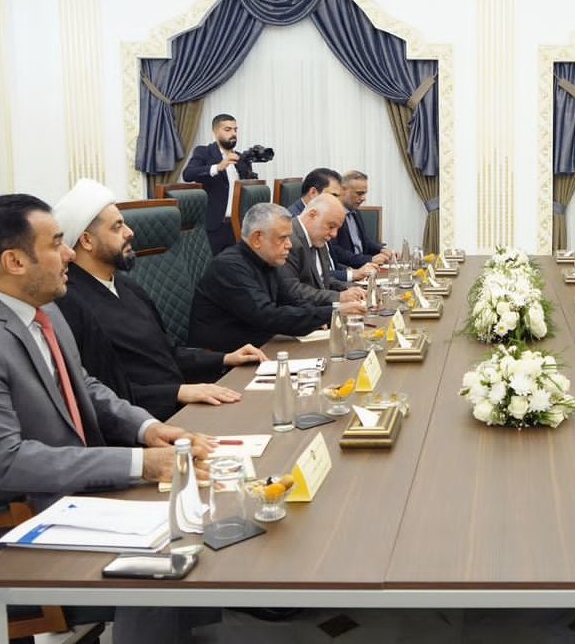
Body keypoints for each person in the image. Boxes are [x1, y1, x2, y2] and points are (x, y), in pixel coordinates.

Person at [0, 194, 213, 643]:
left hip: (62, 500)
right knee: (161, 559)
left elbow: (84, 385)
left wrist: (147, 428)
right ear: (15, 261)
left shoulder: (44, 310)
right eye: (56, 243)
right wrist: (139, 464)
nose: (71, 253)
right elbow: (6, 462)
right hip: (2, 528)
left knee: (194, 515)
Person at [52, 179, 265, 422]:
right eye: (117, 227)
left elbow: (168, 353)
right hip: (144, 423)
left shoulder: (127, 286)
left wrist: (226, 358)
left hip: (181, 405)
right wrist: (178, 393)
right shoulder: (70, 304)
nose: (130, 232)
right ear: (87, 241)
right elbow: (102, 393)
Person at [188, 202, 351, 352]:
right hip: (225, 360)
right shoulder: (230, 267)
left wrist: (318, 318)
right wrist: (332, 312)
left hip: (261, 346)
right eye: (283, 238)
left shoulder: (267, 261)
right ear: (257, 239)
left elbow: (291, 300)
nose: (289, 244)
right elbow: (267, 316)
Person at [182, 113, 259, 255]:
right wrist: (218, 167)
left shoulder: (241, 158)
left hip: (239, 226)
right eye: (228, 129)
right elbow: (188, 174)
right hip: (214, 226)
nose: (233, 134)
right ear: (215, 132)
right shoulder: (204, 152)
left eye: (235, 130)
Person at [281, 194, 371, 305]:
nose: (334, 234)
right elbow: (293, 291)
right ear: (312, 215)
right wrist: (338, 297)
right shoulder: (288, 239)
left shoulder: (318, 238)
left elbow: (323, 279)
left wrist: (350, 289)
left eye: (337, 228)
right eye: (331, 226)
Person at [332, 170, 392, 271]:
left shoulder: (355, 211)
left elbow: (364, 241)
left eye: (364, 194)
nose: (363, 198)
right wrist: (369, 259)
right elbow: (335, 251)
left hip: (365, 268)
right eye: (359, 193)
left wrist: (382, 250)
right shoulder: (331, 213)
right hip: (347, 271)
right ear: (342, 190)